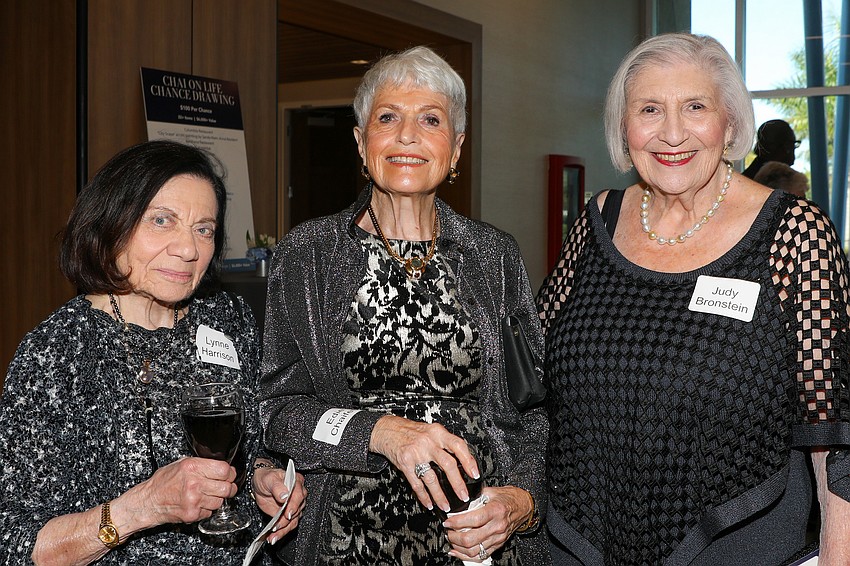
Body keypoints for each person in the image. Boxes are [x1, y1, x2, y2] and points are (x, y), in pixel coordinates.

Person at [538, 33, 850, 565]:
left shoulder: (794, 233)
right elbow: (530, 375)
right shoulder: (597, 222)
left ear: (729, 122)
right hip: (579, 540)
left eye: (695, 106)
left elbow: (835, 432)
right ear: (624, 126)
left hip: (739, 541)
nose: (672, 132)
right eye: (650, 109)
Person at [259, 46, 549, 566]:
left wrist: (520, 501)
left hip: (477, 542)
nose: (407, 136)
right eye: (388, 117)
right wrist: (377, 431)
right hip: (345, 541)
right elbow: (277, 411)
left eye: (430, 120)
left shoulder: (493, 254)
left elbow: (532, 410)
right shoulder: (308, 255)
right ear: (360, 140)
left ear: (456, 148)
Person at [0, 140, 306, 565]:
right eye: (162, 221)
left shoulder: (228, 317)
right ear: (111, 223)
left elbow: (252, 442)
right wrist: (143, 507)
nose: (188, 249)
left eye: (204, 229)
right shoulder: (55, 353)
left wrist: (261, 478)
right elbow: (18, 546)